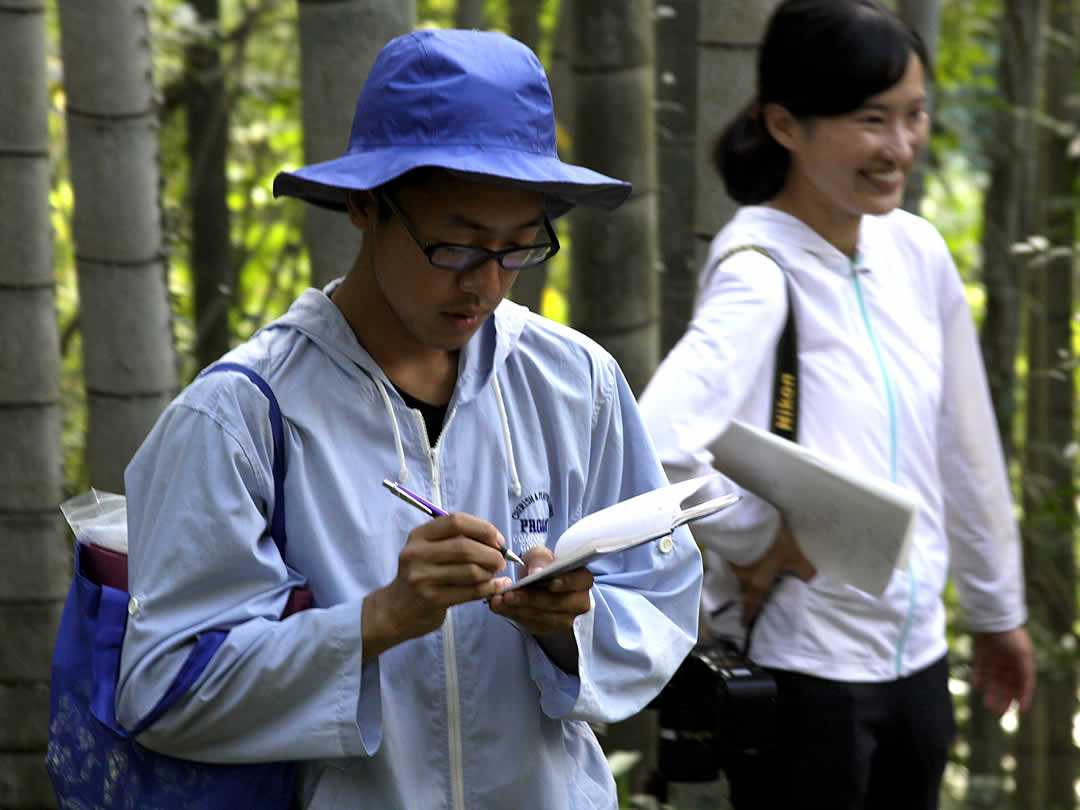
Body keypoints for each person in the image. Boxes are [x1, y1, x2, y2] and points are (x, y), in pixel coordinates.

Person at [115, 29, 703, 809]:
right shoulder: (242, 417)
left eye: (519, 248)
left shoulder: (574, 384)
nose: (487, 285)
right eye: (456, 247)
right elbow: (164, 691)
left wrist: (565, 628)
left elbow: (664, 599)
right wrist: (381, 618)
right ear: (366, 205)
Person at [638, 2, 1034, 808]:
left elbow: (966, 446)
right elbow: (657, 447)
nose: (901, 147)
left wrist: (998, 611)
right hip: (807, 673)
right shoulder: (759, 271)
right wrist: (755, 541)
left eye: (914, 115)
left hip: (918, 662)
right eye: (870, 120)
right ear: (785, 124)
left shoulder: (914, 250)